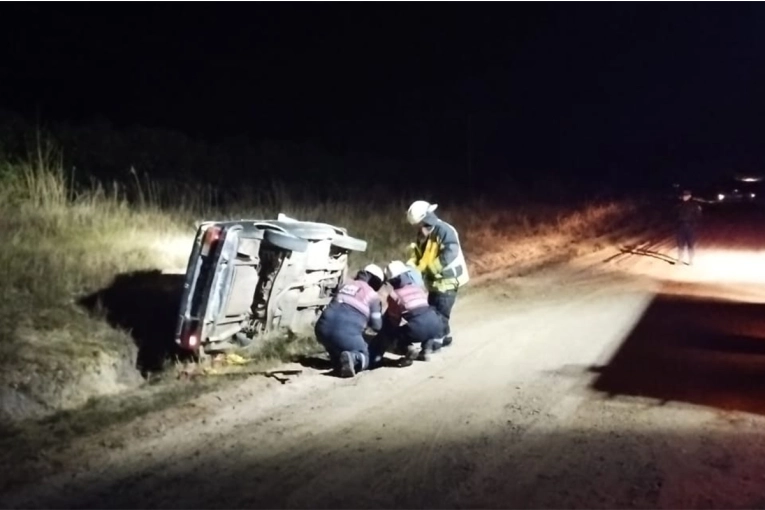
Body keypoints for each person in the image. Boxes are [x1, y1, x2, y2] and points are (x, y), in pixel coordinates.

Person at [405, 200, 469, 349]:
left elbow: (450, 253)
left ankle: (435, 342)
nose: (419, 228)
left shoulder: (445, 231)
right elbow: (419, 254)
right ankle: (445, 336)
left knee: (440, 312)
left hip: (448, 280)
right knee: (435, 309)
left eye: (420, 224)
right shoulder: (424, 233)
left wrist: (431, 268)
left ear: (427, 218)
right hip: (434, 281)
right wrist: (412, 268)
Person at [314, 264, 384, 378]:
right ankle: (353, 358)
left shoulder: (345, 285)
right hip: (345, 333)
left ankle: (338, 360)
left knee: (337, 345)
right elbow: (377, 325)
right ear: (376, 281)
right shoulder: (373, 296)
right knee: (366, 356)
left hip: (321, 329)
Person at [375, 260, 446, 365]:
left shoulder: (394, 295)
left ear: (391, 280)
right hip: (436, 324)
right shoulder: (417, 288)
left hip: (418, 328)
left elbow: (394, 321)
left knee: (396, 333)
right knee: (428, 324)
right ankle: (426, 351)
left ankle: (409, 349)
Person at [675, 189, 702, 266]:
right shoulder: (679, 205)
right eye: (683, 195)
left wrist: (695, 225)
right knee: (680, 244)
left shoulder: (695, 205)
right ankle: (680, 260)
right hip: (680, 226)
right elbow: (674, 215)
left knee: (690, 244)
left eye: (686, 196)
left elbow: (698, 216)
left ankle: (691, 260)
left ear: (690, 196)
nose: (684, 197)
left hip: (690, 227)